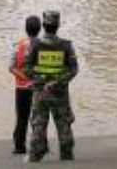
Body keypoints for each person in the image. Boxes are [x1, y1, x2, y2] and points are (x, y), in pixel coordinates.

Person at [22, 10, 79, 163]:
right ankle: (67, 156)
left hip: (40, 92)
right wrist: (58, 82)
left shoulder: (35, 45)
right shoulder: (66, 46)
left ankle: (35, 156)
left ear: (44, 25)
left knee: (38, 123)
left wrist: (39, 80)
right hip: (60, 92)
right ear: (57, 26)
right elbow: (73, 69)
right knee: (63, 123)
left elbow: (26, 68)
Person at [10, 15, 42, 155]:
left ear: (26, 29)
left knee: (22, 118)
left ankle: (19, 146)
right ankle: (38, 146)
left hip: (22, 88)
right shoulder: (45, 46)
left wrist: (25, 77)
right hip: (39, 87)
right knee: (38, 117)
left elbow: (11, 67)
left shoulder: (18, 46)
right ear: (40, 29)